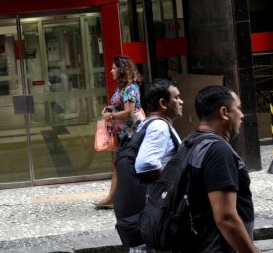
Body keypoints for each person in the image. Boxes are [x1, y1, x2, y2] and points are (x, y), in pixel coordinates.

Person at [182, 85, 256, 252]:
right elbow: (226, 218)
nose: (242, 115)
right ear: (224, 112)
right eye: (238, 108)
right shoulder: (218, 151)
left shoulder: (190, 142)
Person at [113, 78, 183, 251]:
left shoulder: (148, 124)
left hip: (147, 219)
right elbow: (146, 164)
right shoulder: (159, 126)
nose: (181, 101)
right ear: (163, 103)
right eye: (177, 97)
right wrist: (178, 176)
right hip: (154, 218)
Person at [95, 55, 144, 209]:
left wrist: (110, 115)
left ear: (122, 70)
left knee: (124, 165)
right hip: (122, 133)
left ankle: (120, 198)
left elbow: (129, 112)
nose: (111, 71)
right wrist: (111, 109)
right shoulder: (122, 88)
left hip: (130, 134)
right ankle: (113, 197)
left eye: (114, 68)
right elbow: (121, 107)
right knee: (117, 164)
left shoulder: (130, 88)